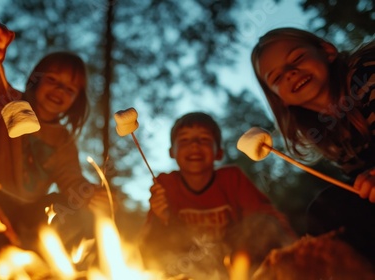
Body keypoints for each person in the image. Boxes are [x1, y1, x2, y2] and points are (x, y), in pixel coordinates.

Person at [0, 17, 110, 251]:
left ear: (77, 101)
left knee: (70, 214)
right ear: (35, 80)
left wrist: (88, 194)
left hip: (28, 210)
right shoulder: (8, 103)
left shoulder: (63, 139)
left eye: (69, 89)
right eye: (53, 80)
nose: (59, 90)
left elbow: (69, 177)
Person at [250, 27, 375, 264]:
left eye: (297, 58)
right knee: (327, 211)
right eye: (276, 78)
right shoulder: (332, 137)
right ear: (279, 99)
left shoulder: (365, 74)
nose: (290, 73)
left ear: (327, 51)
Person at [139, 112, 296, 278]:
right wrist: (161, 217)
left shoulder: (232, 178)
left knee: (264, 223)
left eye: (204, 139)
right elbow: (149, 246)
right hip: (192, 266)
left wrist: (295, 248)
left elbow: (265, 220)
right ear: (172, 152)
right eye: (184, 140)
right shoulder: (166, 184)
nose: (194, 145)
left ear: (219, 153)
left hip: (238, 264)